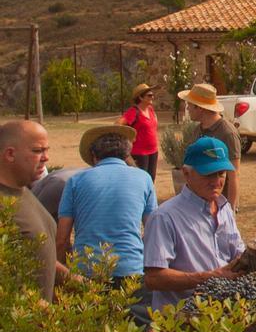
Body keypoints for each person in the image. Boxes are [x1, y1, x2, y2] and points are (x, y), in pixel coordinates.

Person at [143, 137, 245, 311]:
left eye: (221, 173)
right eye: (208, 174)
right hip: (182, 324)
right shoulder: (165, 217)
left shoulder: (224, 207)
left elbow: (238, 253)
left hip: (224, 316)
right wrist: (209, 277)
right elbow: (154, 278)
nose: (216, 181)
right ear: (186, 173)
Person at [57, 125, 156, 281]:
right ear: (126, 155)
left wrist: (64, 274)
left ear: (94, 155)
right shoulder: (144, 178)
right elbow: (153, 230)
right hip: (130, 268)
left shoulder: (76, 181)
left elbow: (62, 239)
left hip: (87, 269)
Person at [0, 120, 69, 301]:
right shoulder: (3, 204)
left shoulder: (25, 192)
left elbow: (37, 254)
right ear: (10, 154)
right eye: (38, 151)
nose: (46, 158)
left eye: (46, 150)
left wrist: (73, 281)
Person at [178, 83, 242, 211]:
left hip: (218, 203)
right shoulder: (197, 130)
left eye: (189, 105)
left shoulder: (227, 133)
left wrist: (230, 209)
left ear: (200, 108)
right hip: (198, 202)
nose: (187, 109)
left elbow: (234, 174)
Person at [121, 83, 160, 181]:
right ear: (140, 97)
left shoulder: (150, 110)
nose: (152, 97)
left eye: (152, 95)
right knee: (140, 181)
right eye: (149, 95)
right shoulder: (133, 111)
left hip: (153, 151)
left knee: (151, 181)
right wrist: (129, 137)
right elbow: (118, 124)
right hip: (139, 153)